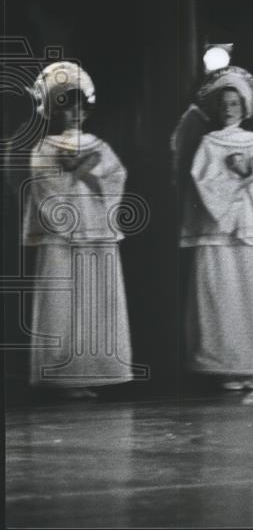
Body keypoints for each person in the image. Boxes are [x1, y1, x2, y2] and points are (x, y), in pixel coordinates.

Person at [21, 62, 135, 398]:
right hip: (63, 238)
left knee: (95, 301)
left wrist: (85, 172)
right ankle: (64, 374)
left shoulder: (99, 146)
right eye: (67, 107)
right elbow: (45, 189)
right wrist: (73, 174)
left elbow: (116, 179)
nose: (74, 113)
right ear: (56, 112)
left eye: (80, 107)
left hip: (97, 235)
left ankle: (96, 370)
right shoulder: (45, 148)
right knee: (63, 303)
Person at [180, 66, 253, 391]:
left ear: (245, 108)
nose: (229, 109)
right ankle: (226, 367)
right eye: (224, 104)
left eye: (235, 104)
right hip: (220, 233)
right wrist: (235, 186)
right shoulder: (209, 144)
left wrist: (251, 182)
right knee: (222, 297)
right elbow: (204, 183)